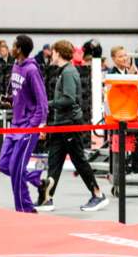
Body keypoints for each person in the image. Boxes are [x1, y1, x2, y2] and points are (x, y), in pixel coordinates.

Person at [37, 40, 108, 212]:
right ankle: (48, 198)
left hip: (70, 124)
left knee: (79, 161)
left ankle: (98, 195)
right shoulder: (63, 72)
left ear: (58, 53)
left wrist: (48, 104)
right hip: (60, 124)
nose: (51, 55)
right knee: (54, 161)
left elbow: (69, 99)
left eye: (53, 52)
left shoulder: (68, 72)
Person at [0, 35, 47, 213]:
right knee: (3, 164)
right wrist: (10, 99)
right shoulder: (16, 66)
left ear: (19, 49)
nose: (11, 47)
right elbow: (20, 94)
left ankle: (25, 209)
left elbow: (42, 102)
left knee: (16, 170)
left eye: (14, 45)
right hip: (15, 125)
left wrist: (35, 125)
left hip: (27, 127)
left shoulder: (32, 70)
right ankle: (37, 180)